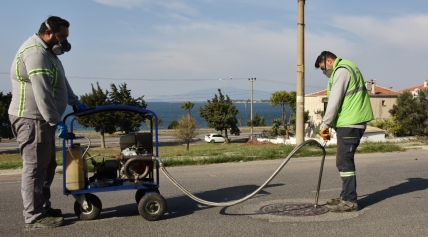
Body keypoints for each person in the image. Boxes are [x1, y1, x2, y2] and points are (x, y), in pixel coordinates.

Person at [8, 16, 87, 228]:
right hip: (31, 119)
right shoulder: (35, 54)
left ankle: (42, 207)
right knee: (34, 168)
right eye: (61, 37)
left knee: (47, 165)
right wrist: (55, 121)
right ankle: (34, 217)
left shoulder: (48, 53)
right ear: (48, 32)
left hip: (41, 119)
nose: (64, 42)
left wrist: (73, 100)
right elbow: (42, 92)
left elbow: (61, 79)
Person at [314, 51, 374, 212]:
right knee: (343, 159)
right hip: (350, 121)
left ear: (329, 61)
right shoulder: (348, 67)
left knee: (344, 160)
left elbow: (335, 99)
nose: (324, 72)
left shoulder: (341, 70)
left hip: (352, 121)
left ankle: (350, 201)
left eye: (323, 68)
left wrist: (325, 124)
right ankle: (345, 196)